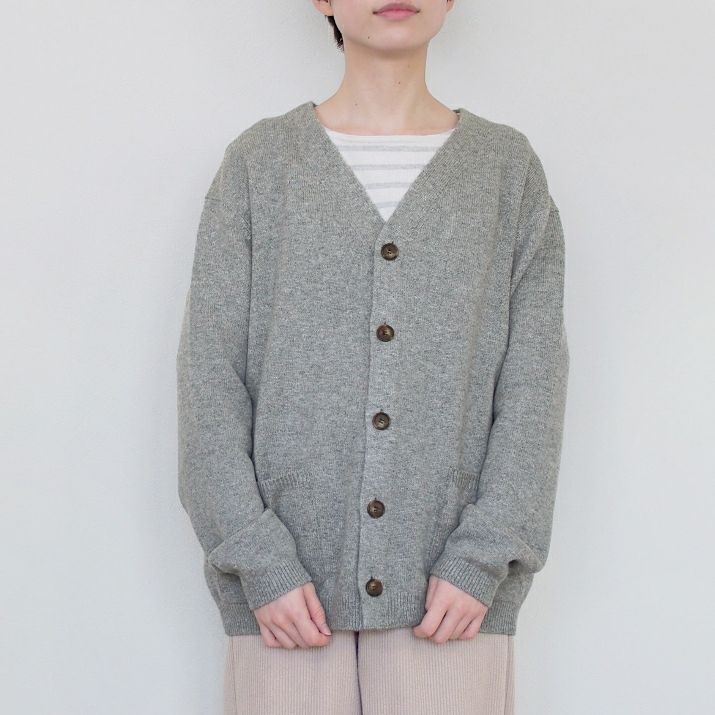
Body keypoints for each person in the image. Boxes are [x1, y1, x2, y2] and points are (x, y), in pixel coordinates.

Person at [176, 1, 570, 713]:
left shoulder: (506, 170)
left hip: (452, 601)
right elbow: (209, 379)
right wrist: (257, 558)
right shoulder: (259, 166)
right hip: (283, 603)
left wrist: (484, 555)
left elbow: (534, 384)